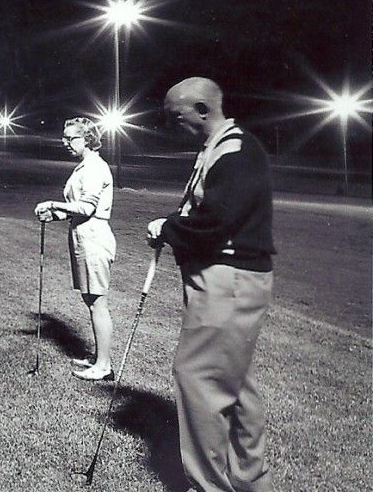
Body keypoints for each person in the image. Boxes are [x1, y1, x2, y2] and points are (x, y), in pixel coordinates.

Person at [146, 77, 274, 492]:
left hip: (228, 280)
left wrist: (168, 227)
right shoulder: (219, 146)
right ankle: (251, 483)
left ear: (202, 110)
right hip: (228, 279)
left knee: (198, 376)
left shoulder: (236, 149)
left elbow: (217, 223)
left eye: (174, 115)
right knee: (235, 385)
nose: (169, 123)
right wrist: (174, 225)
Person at [34, 117, 117, 381]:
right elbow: (78, 211)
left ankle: (104, 366)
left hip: (94, 237)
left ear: (88, 139)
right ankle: (98, 357)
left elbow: (87, 208)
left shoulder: (94, 167)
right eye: (65, 138)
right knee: (90, 299)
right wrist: (55, 215)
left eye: (72, 139)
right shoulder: (83, 167)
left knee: (97, 301)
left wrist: (52, 204)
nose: (66, 143)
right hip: (83, 235)